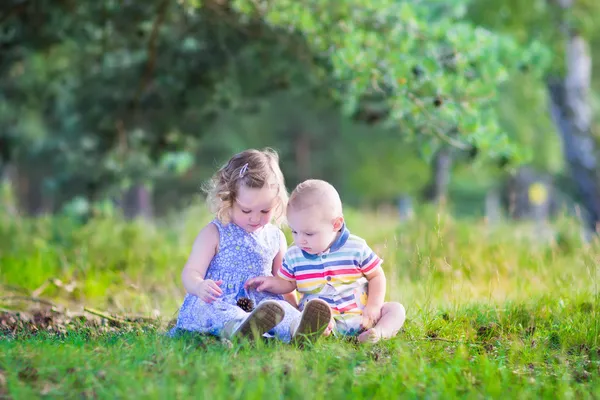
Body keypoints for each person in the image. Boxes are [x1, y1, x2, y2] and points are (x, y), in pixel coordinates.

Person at [169, 149, 330, 343]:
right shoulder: (215, 232)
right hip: (220, 300)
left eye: (265, 210)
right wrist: (199, 286)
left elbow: (285, 283)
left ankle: (300, 328)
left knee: (282, 312)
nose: (255, 218)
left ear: (277, 203)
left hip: (262, 306)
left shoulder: (275, 236)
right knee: (220, 312)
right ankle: (242, 329)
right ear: (227, 199)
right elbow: (191, 272)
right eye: (246, 210)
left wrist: (295, 308)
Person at [246, 179, 406, 343]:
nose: (300, 240)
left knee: (396, 310)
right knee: (312, 314)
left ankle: (377, 333)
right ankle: (314, 331)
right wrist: (271, 283)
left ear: (336, 224)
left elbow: (376, 276)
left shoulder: (355, 247)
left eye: (309, 234)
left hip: (363, 316)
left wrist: (373, 306)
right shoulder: (294, 255)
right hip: (326, 321)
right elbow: (288, 284)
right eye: (294, 231)